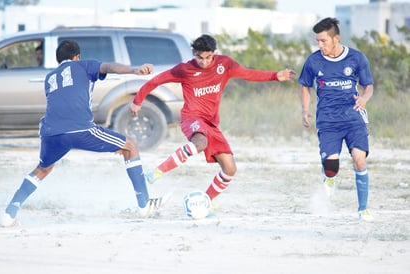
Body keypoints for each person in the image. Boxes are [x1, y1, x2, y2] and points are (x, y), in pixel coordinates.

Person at [0, 40, 166, 227]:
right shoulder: (84, 65)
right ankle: (144, 205)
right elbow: (108, 66)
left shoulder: (50, 77)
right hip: (79, 128)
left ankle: (10, 212)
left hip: (49, 132)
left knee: (43, 169)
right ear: (77, 57)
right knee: (130, 146)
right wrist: (134, 70)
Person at [131, 34, 295, 215]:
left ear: (214, 53)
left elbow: (248, 73)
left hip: (211, 123)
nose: (204, 61)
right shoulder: (184, 69)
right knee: (200, 143)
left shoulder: (224, 64)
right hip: (192, 117)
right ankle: (156, 173)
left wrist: (275, 76)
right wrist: (138, 101)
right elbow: (155, 81)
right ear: (194, 53)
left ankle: (205, 202)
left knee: (230, 168)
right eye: (200, 57)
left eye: (208, 57)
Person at [298, 17, 374, 221]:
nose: (319, 45)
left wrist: (364, 99)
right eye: (317, 41)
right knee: (332, 168)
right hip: (327, 120)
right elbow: (305, 85)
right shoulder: (313, 61)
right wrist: (305, 110)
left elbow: (368, 86)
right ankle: (329, 177)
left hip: (353, 118)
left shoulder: (356, 58)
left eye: (323, 41)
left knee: (359, 160)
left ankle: (363, 209)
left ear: (336, 38)